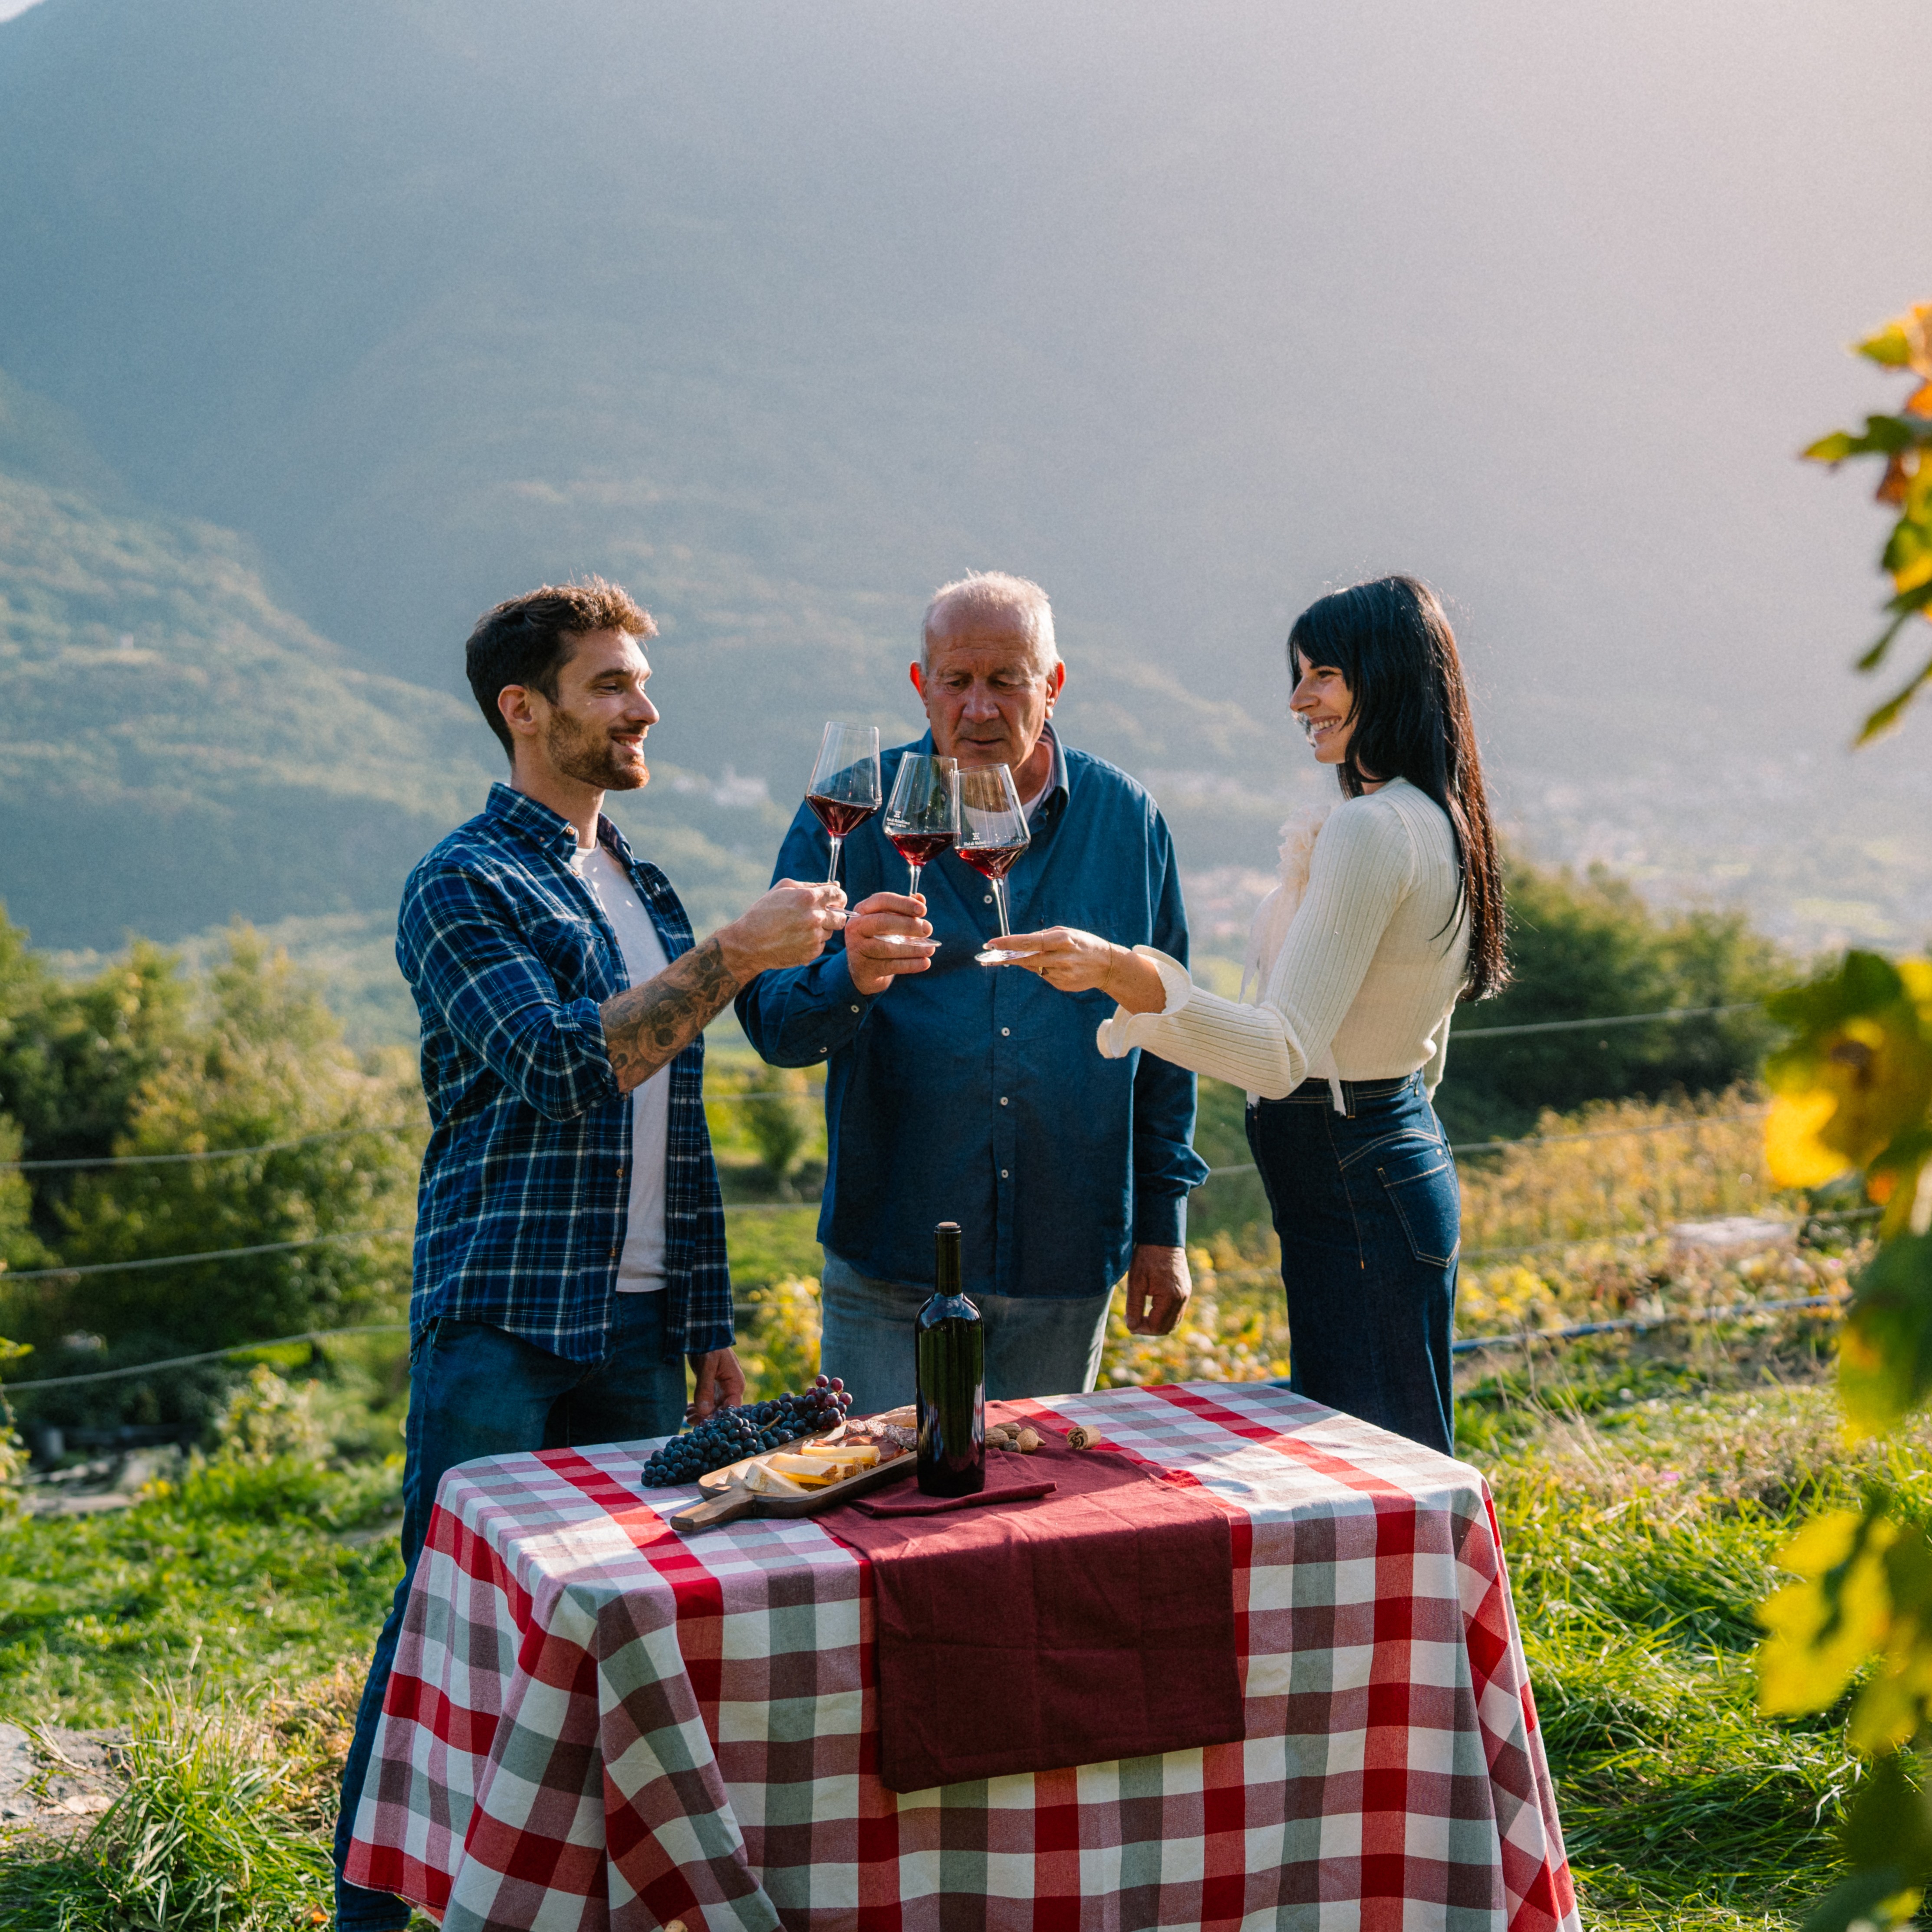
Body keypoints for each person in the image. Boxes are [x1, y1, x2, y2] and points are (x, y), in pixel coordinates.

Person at [333, 579, 846, 1932]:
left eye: (638, 681)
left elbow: (678, 1125)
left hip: (634, 1335)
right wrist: (736, 952)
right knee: (442, 1631)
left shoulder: (644, 880)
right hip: (501, 1317)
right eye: (610, 684)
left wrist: (707, 1318)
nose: (644, 707)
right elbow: (567, 1068)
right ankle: (371, 1916)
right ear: (525, 708)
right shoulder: (461, 883)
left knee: (617, 1642)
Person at [997, 576, 1507, 1455]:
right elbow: (1428, 1056)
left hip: (1353, 1177)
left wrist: (1130, 979)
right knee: (1401, 1454)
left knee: (1371, 1466)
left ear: (1388, 675)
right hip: (1393, 1160)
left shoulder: (1370, 831)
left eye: (1325, 676)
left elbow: (1280, 1057)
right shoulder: (1441, 819)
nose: (1300, 700)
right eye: (1300, 676)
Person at [734, 571, 1208, 1413]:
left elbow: (1168, 1030)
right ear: (923, 687)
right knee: (882, 1516)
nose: (980, 708)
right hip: (890, 1265)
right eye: (958, 681)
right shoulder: (851, 814)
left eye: (1007, 681)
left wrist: (1162, 1229)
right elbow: (774, 1027)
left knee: (1031, 1525)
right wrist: (851, 974)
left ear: (1053, 686)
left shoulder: (1127, 821)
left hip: (1062, 1265)